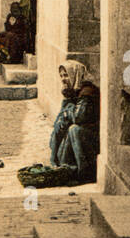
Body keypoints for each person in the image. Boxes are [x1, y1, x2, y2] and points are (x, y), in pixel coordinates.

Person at [17, 59, 100, 189]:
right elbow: (63, 117)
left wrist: (68, 110)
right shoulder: (73, 91)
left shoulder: (87, 92)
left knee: (74, 129)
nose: (63, 79)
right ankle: (64, 167)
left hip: (93, 138)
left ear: (75, 74)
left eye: (66, 75)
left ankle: (85, 173)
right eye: (61, 76)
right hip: (81, 135)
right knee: (63, 124)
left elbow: (79, 117)